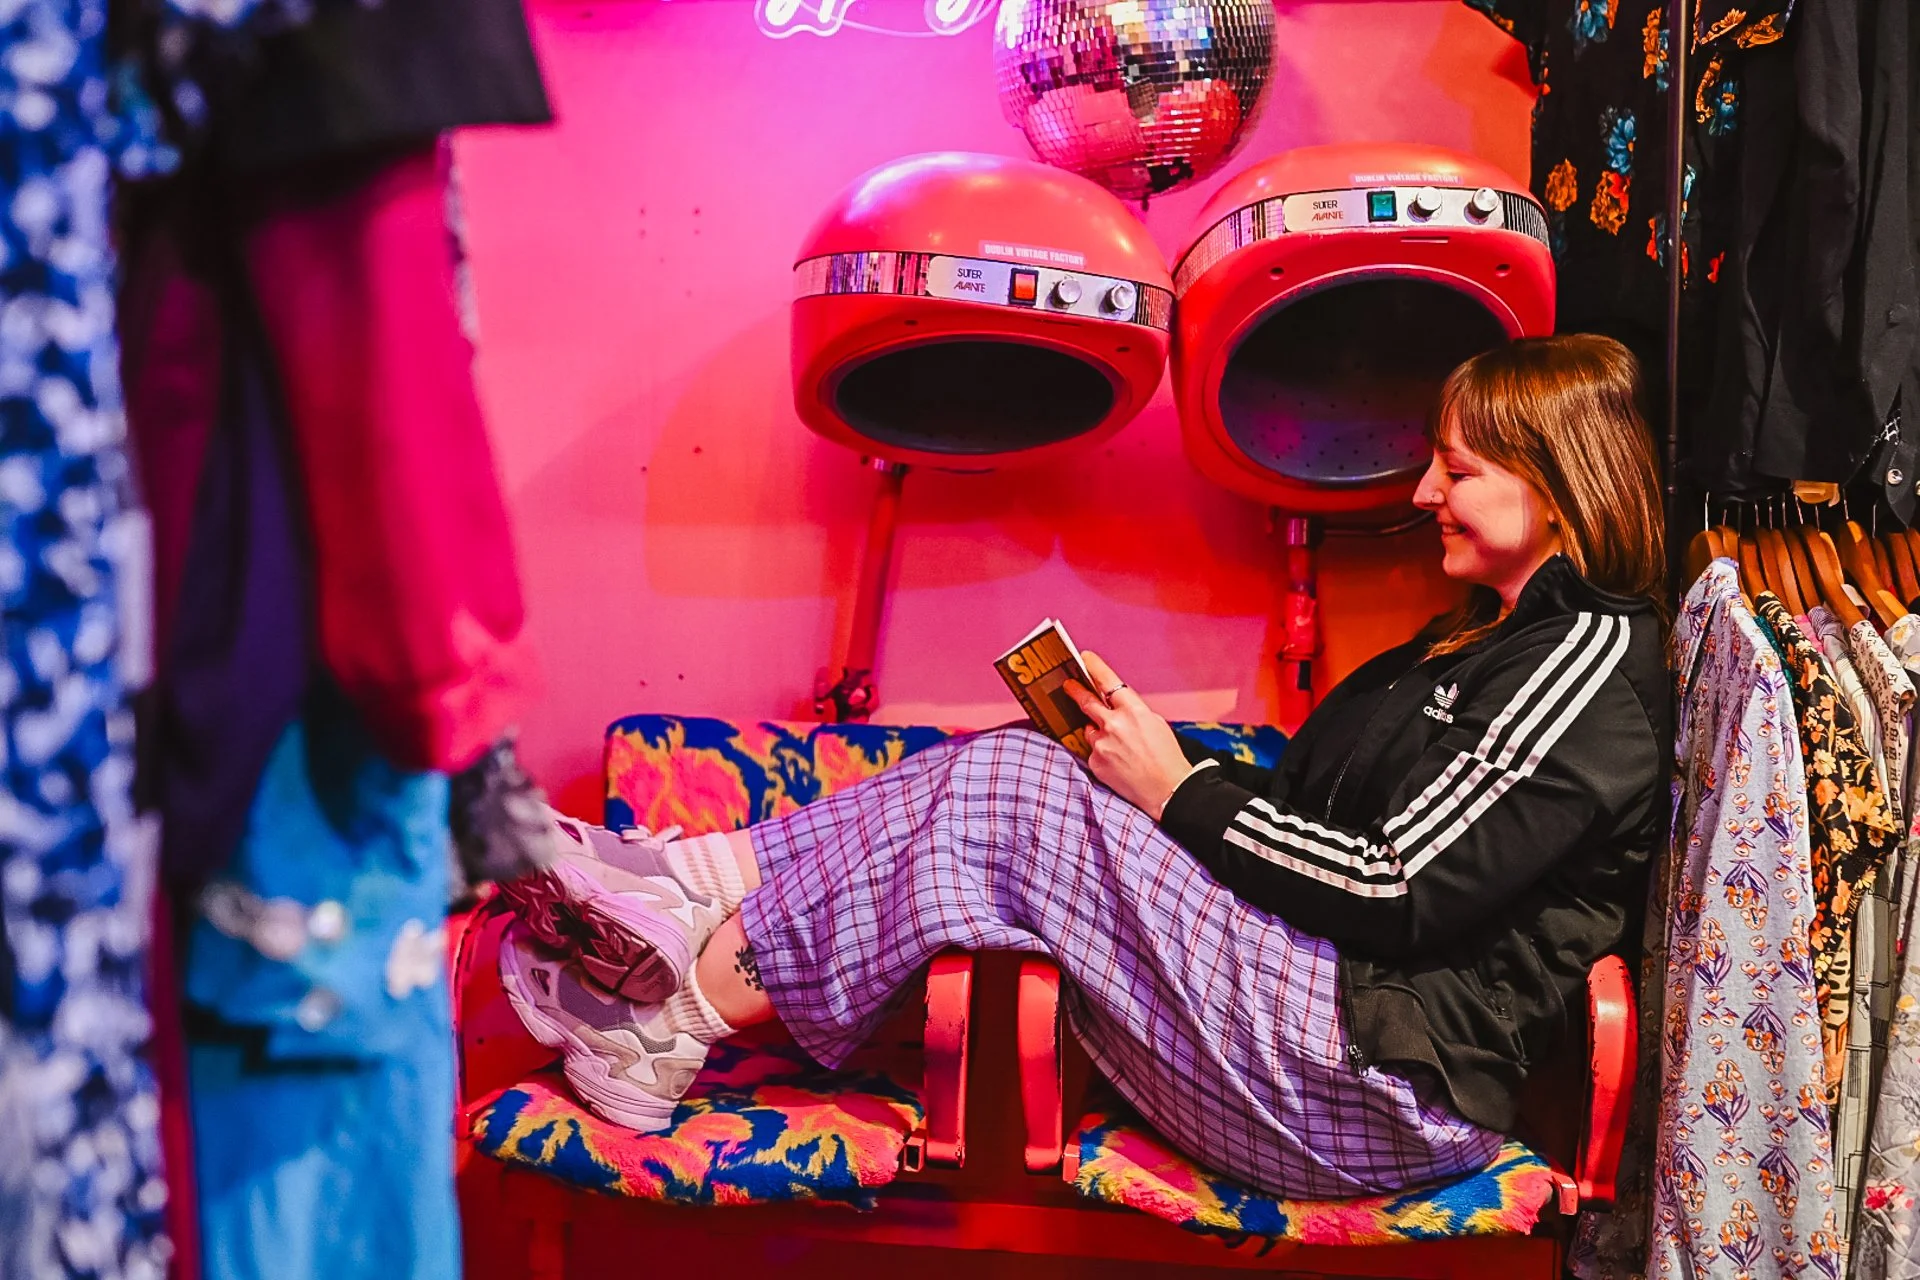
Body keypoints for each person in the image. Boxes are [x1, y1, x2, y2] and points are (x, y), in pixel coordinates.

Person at [497, 333, 1669, 1199]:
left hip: (1374, 1090)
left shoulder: (1590, 664)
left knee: (1022, 793)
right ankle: (691, 885)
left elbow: (1392, 884)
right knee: (1036, 755)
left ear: (1557, 484)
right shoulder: (1480, 639)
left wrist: (1173, 787)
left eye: (1456, 471)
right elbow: (1319, 816)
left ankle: (674, 1006)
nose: (1422, 494)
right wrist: (1151, 758)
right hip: (1322, 1025)